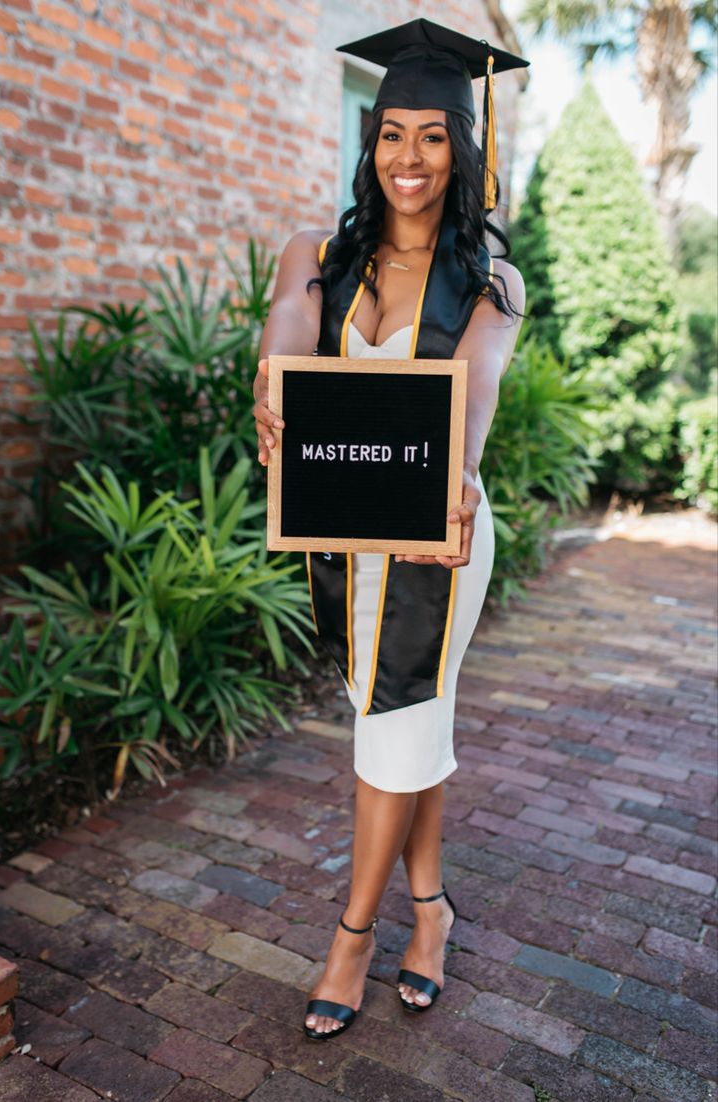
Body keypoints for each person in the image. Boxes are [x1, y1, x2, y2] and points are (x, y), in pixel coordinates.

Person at [252, 18, 528, 1041]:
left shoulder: (490, 276)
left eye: (432, 136)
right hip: (343, 529)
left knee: (394, 722)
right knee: (411, 727)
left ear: (463, 148)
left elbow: (480, 381)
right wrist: (270, 377)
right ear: (369, 144)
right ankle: (433, 914)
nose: (408, 158)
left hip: (437, 537)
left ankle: (352, 935)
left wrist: (457, 469)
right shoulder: (321, 253)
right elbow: (288, 317)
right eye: (390, 134)